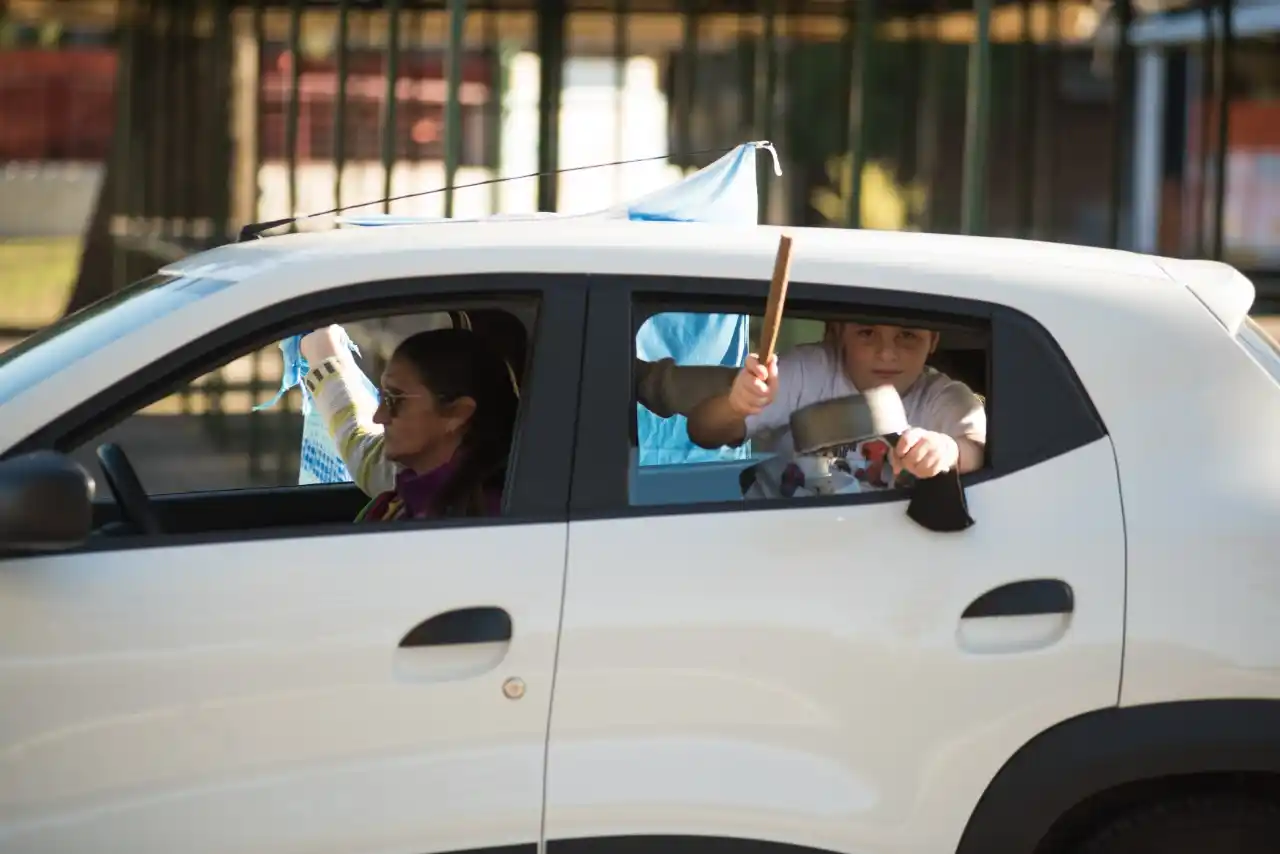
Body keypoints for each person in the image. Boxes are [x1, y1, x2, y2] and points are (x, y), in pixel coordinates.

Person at [687, 321, 986, 489]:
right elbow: (702, 431)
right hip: (774, 533)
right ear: (839, 333)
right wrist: (736, 405)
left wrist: (947, 450)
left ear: (932, 340)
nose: (886, 353)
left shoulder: (943, 397)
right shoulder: (807, 371)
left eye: (907, 335)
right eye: (867, 333)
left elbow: (977, 448)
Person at [299, 325, 518, 521]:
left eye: (394, 400)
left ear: (458, 413)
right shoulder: (409, 495)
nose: (379, 417)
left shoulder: (472, 521)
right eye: (382, 397)